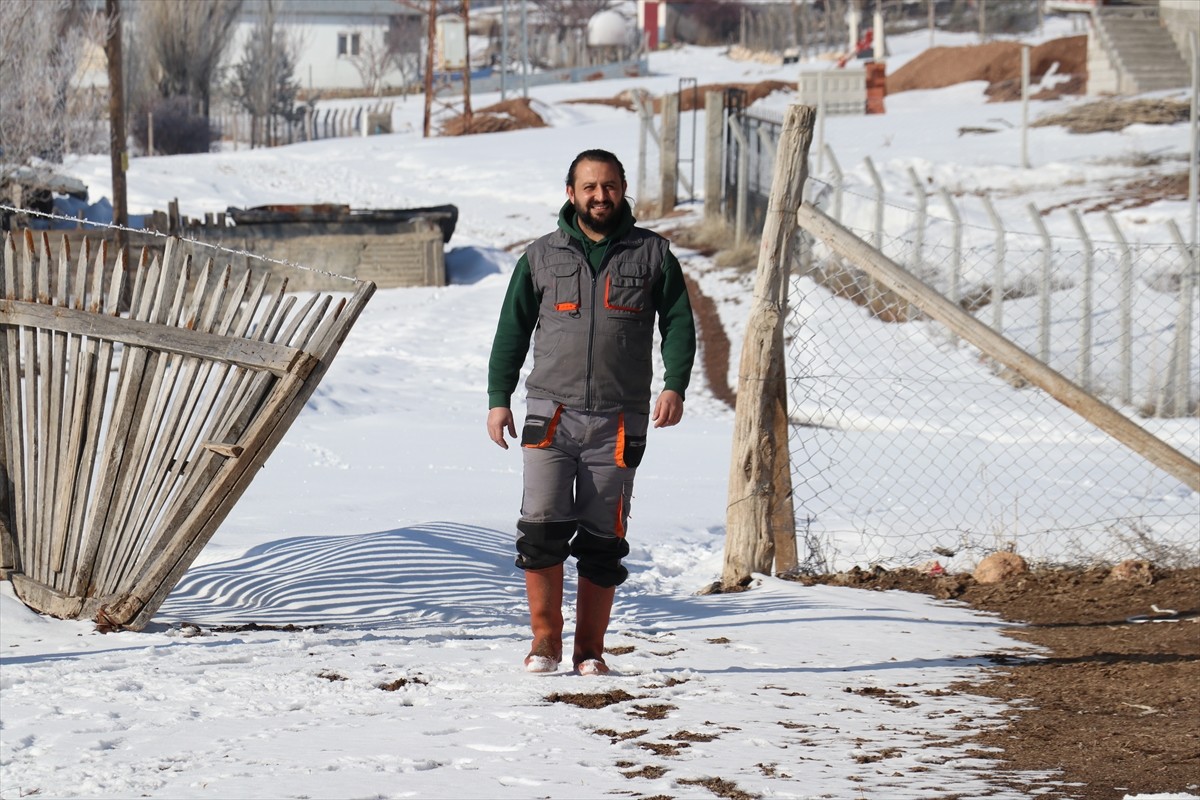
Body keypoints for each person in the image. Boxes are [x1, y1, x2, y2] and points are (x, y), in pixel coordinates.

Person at [486, 148, 697, 676]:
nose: (599, 196)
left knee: (604, 540)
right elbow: (511, 332)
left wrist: (675, 385)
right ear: (571, 192)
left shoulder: (653, 255)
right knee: (541, 530)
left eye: (609, 186)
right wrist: (497, 399)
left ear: (623, 190)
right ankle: (544, 643)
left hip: (619, 419)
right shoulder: (539, 256)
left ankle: (589, 652)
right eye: (589, 187)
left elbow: (678, 325)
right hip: (549, 414)